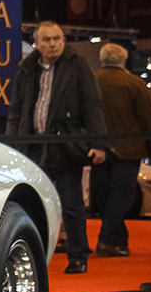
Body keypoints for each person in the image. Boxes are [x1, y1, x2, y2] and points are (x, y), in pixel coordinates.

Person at [7, 21, 107, 273]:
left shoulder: (78, 65)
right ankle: (30, 257)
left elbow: (92, 104)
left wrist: (98, 144)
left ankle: (78, 256)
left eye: (58, 39)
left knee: (71, 204)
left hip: (65, 146)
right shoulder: (26, 69)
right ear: (37, 44)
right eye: (48, 40)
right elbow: (16, 110)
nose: (53, 44)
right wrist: (12, 145)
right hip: (33, 147)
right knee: (29, 205)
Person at [93, 43, 151, 257]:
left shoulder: (91, 81)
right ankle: (108, 240)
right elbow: (149, 119)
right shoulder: (135, 83)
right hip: (129, 149)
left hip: (97, 147)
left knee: (104, 196)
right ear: (123, 60)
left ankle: (118, 241)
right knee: (120, 197)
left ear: (102, 59)